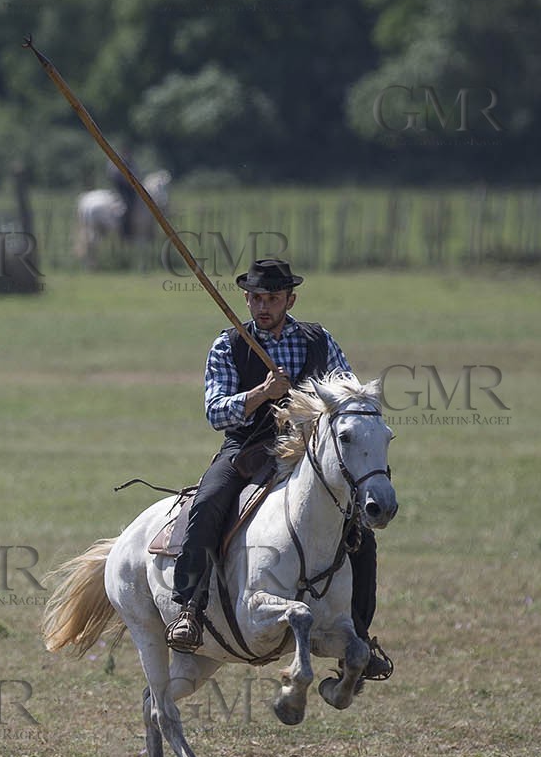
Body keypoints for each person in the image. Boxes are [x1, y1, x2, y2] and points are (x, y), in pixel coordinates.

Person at [166, 258, 392, 683]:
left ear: (291, 299)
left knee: (359, 534)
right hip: (247, 449)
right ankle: (190, 609)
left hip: (308, 450)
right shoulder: (228, 344)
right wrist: (260, 394)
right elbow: (216, 412)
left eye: (272, 298)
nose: (262, 306)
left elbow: (345, 390)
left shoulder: (318, 339)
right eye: (255, 298)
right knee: (209, 503)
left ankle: (359, 635)